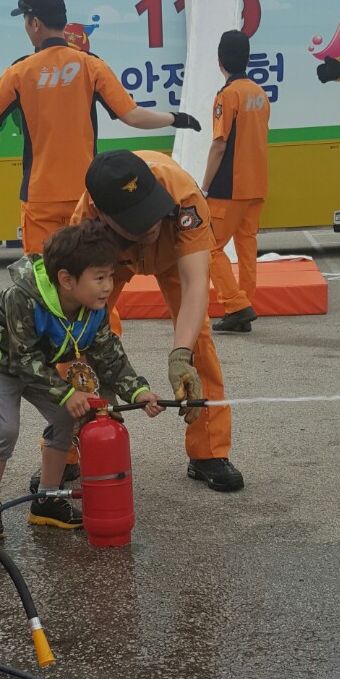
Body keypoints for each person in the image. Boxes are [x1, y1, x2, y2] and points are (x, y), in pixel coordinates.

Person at [0, 0, 200, 256]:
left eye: (25, 21)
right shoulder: (90, 65)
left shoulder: (19, 72)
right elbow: (133, 116)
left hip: (40, 196)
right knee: (87, 268)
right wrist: (175, 118)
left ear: (35, 23)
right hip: (86, 193)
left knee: (42, 272)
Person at [0, 218, 163, 538]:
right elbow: (23, 359)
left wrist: (138, 391)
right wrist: (68, 393)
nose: (108, 286)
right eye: (99, 278)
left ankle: (46, 500)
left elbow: (109, 355)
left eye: (111, 276)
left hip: (36, 364)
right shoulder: (24, 299)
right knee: (4, 428)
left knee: (65, 418)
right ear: (67, 279)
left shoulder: (95, 309)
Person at [63, 149, 244, 493]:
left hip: (174, 254)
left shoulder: (185, 199)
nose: (149, 225)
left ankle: (208, 452)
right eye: (136, 218)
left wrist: (180, 355)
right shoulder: (84, 223)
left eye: (151, 210)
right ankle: (65, 451)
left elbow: (194, 287)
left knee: (198, 344)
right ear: (101, 214)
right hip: (112, 256)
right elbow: (74, 317)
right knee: (76, 344)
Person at [201, 30, 270, 333]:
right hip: (256, 184)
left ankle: (235, 304)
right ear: (248, 58)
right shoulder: (259, 94)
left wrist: (204, 187)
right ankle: (244, 305)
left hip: (230, 187)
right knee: (246, 249)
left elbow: (219, 144)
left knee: (209, 247)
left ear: (220, 61)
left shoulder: (227, 96)